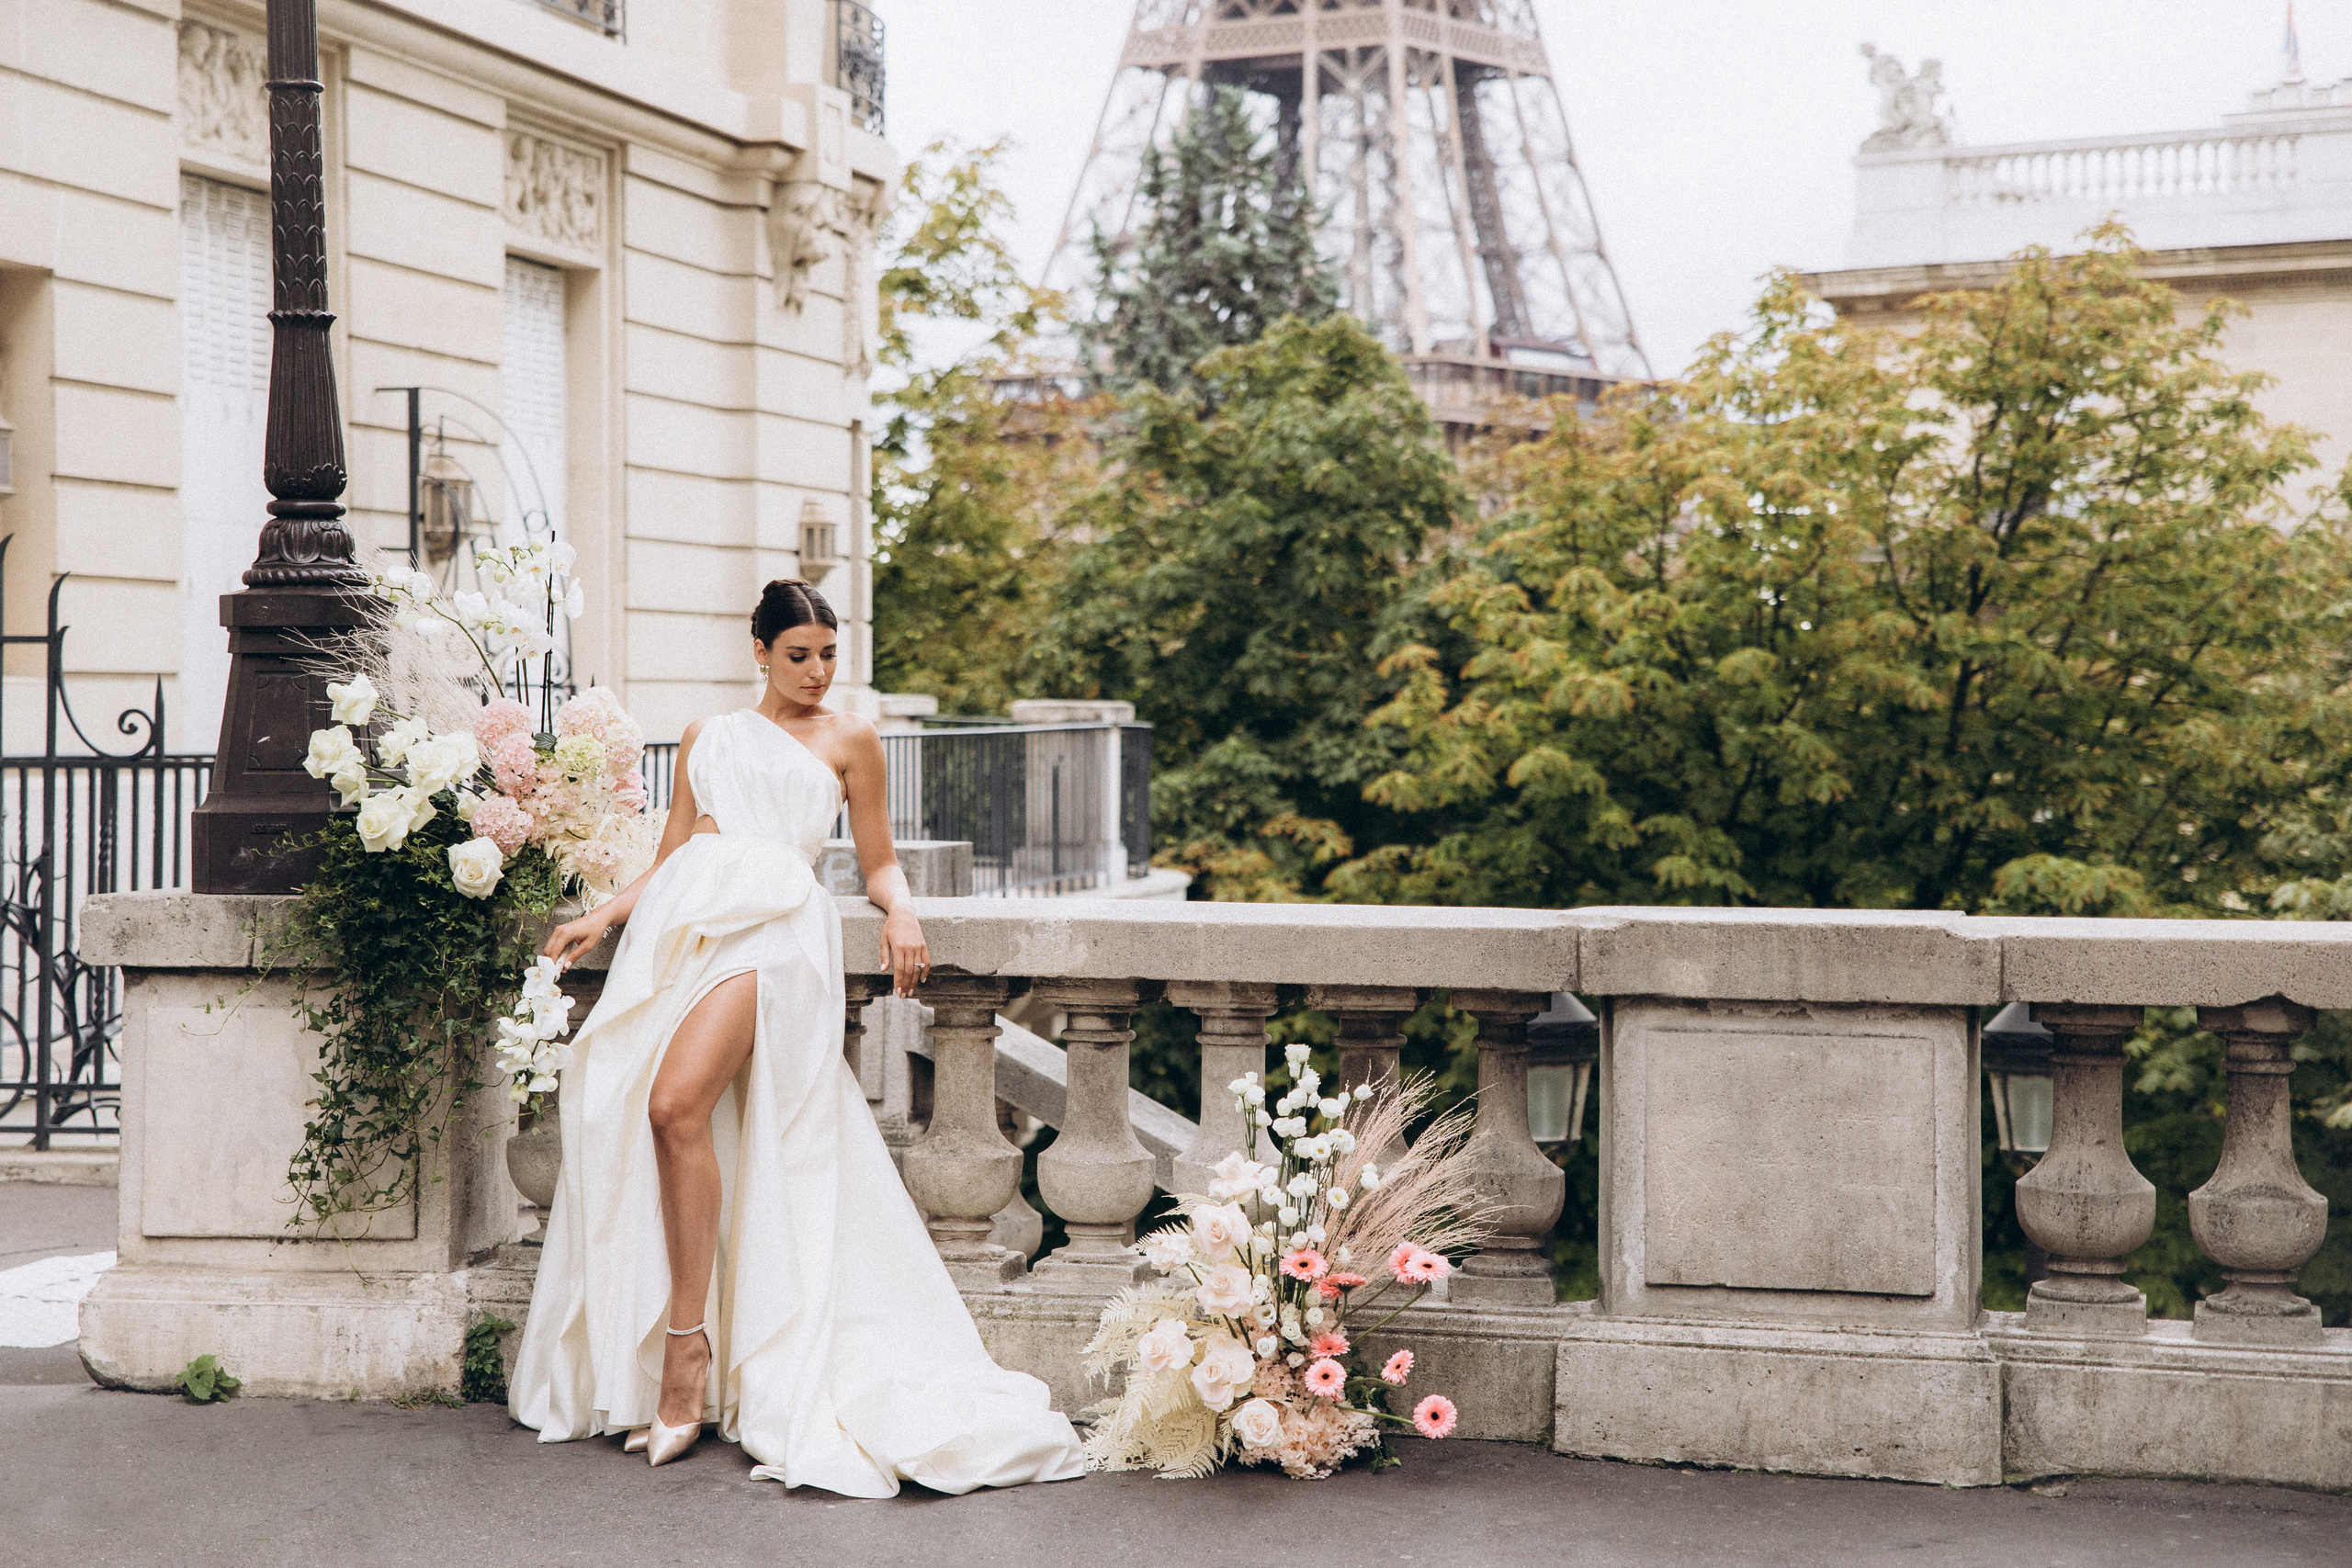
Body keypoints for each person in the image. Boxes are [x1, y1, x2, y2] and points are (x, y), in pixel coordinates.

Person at [507, 579, 1084, 1496]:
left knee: (673, 1104)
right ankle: (687, 1345)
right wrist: (604, 915)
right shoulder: (708, 736)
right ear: (760, 652)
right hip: (686, 928)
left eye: (827, 655)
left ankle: (687, 1354)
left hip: (776, 930)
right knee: (640, 1105)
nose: (817, 672)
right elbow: (673, 855)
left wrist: (902, 912)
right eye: (798, 655)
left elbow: (878, 858)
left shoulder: (852, 739)